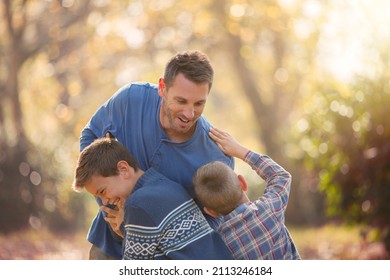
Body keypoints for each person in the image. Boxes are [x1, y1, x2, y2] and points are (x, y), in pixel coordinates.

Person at [79, 50, 234, 259]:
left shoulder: (216, 155)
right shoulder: (131, 99)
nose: (189, 114)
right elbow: (90, 134)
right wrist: (109, 207)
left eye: (199, 104)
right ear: (162, 88)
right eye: (181, 101)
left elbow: (212, 223)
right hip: (109, 244)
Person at [72, 138, 232, 260]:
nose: (105, 201)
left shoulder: (138, 204)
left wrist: (123, 227)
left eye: (103, 191)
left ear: (123, 169)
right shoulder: (165, 183)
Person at [192, 127, 301, 260]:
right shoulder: (268, 210)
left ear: (210, 212)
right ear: (242, 183)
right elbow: (281, 176)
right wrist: (241, 151)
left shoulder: (220, 246)